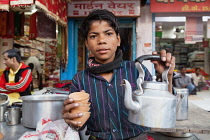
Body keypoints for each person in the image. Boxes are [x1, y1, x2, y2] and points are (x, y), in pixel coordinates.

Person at [62, 9, 175, 140]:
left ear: (118, 40)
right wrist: (72, 120)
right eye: (93, 36)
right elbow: (78, 125)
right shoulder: (80, 79)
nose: (101, 40)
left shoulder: (137, 70)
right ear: (87, 44)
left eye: (108, 33)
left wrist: (167, 75)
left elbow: (162, 110)